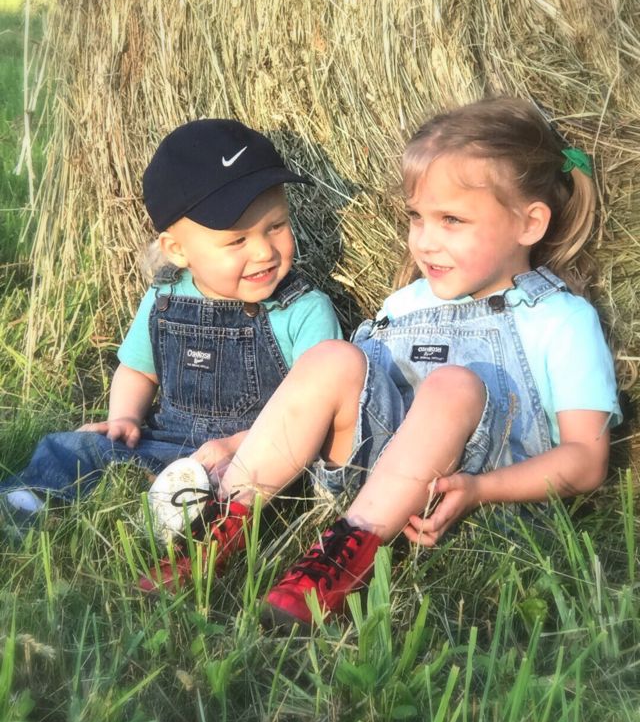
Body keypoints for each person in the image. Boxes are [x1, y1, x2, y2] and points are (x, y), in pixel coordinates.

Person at [140, 97, 621, 629]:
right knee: (332, 357)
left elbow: (586, 461)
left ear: (529, 224)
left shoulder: (560, 319)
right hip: (371, 474)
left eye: (451, 220)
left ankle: (342, 557)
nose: (424, 241)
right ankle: (223, 522)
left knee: (452, 386)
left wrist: (481, 491)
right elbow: (337, 401)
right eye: (417, 217)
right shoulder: (406, 304)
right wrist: (241, 443)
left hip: (474, 497)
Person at [0, 119, 342, 521]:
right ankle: (29, 504)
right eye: (237, 240)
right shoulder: (163, 299)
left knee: (215, 488)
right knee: (71, 446)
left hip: (256, 460)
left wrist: (236, 446)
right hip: (167, 445)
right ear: (177, 250)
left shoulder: (303, 311)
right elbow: (138, 371)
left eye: (276, 226)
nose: (265, 251)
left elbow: (315, 413)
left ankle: (190, 515)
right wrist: (124, 418)